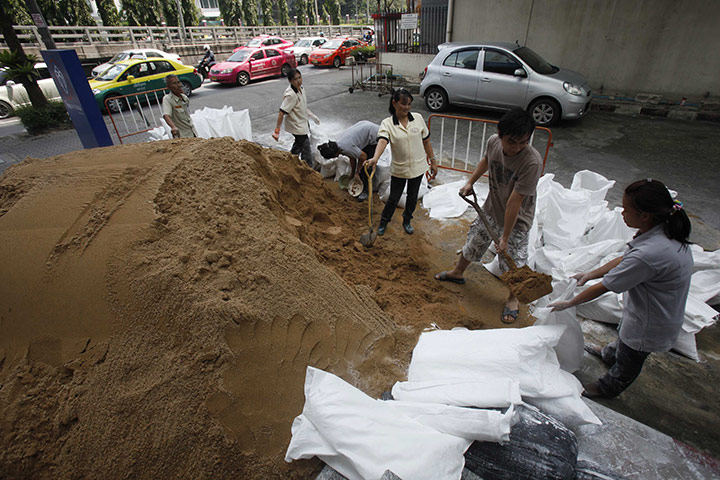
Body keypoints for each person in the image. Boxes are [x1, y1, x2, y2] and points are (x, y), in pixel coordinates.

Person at [549, 179, 693, 399]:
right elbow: (625, 259)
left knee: (630, 358)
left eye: (626, 210)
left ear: (644, 215)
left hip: (651, 322)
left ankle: (608, 387)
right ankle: (610, 353)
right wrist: (589, 274)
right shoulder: (661, 229)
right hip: (647, 309)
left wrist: (569, 303)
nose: (622, 213)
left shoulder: (651, 253)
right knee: (624, 338)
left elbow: (606, 287)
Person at [433, 108, 542, 324]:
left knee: (515, 264)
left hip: (517, 221)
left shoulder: (531, 162)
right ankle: (457, 272)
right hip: (491, 209)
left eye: (524, 142)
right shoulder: (493, 142)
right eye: (512, 142)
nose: (518, 147)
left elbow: (515, 202)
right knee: (474, 242)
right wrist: (470, 182)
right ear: (500, 134)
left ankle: (513, 299)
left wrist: (505, 237)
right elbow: (486, 160)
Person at [365, 88, 437, 235]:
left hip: (418, 167)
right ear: (394, 103)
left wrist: (433, 161)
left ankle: (407, 220)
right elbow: (383, 141)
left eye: (409, 104)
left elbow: (427, 141)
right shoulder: (388, 123)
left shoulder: (417, 118)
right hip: (400, 169)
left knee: (412, 198)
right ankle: (384, 222)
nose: (407, 107)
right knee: (393, 198)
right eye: (403, 104)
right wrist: (375, 158)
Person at [317, 120, 380, 201]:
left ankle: (366, 191)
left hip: (374, 135)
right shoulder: (339, 144)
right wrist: (352, 173)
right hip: (365, 128)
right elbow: (352, 157)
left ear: (335, 154)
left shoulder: (346, 147)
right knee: (361, 166)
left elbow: (363, 157)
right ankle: (363, 183)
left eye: (333, 157)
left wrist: (358, 171)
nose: (335, 158)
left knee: (367, 166)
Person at [272, 68, 320, 167]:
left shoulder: (301, 89)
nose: (298, 81)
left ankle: (289, 162)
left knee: (298, 145)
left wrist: (311, 115)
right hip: (296, 126)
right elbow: (281, 112)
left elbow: (302, 106)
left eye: (300, 78)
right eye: (295, 79)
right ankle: (308, 169)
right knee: (306, 148)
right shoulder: (290, 95)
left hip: (302, 123)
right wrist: (277, 131)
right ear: (290, 81)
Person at [162, 75, 197, 139]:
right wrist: (173, 127)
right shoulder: (167, 99)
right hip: (183, 136)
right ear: (168, 87)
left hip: (192, 132)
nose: (178, 85)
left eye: (178, 82)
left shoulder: (184, 98)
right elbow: (166, 115)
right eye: (174, 83)